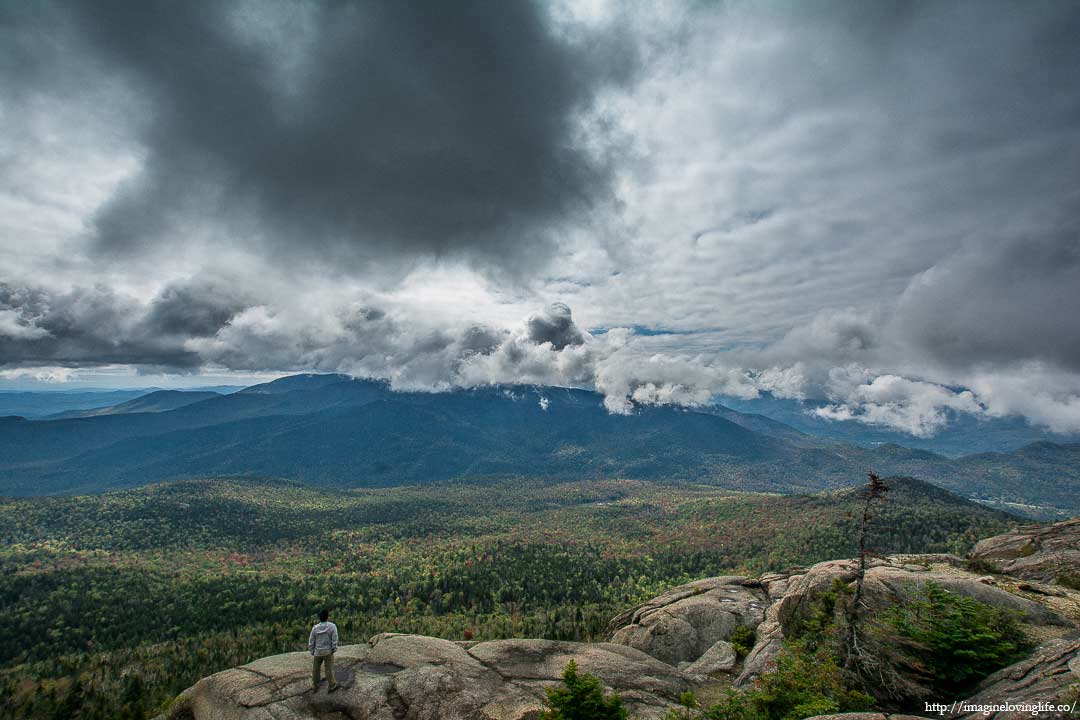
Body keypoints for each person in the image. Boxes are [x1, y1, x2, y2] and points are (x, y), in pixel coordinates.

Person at [308, 608, 339, 693]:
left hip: (317, 652)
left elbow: (311, 640)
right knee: (328, 668)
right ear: (327, 617)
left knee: (316, 669)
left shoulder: (315, 628)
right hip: (328, 652)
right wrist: (334, 648)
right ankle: (332, 685)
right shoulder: (332, 626)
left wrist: (312, 650)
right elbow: (334, 639)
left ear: (320, 618)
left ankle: (315, 685)